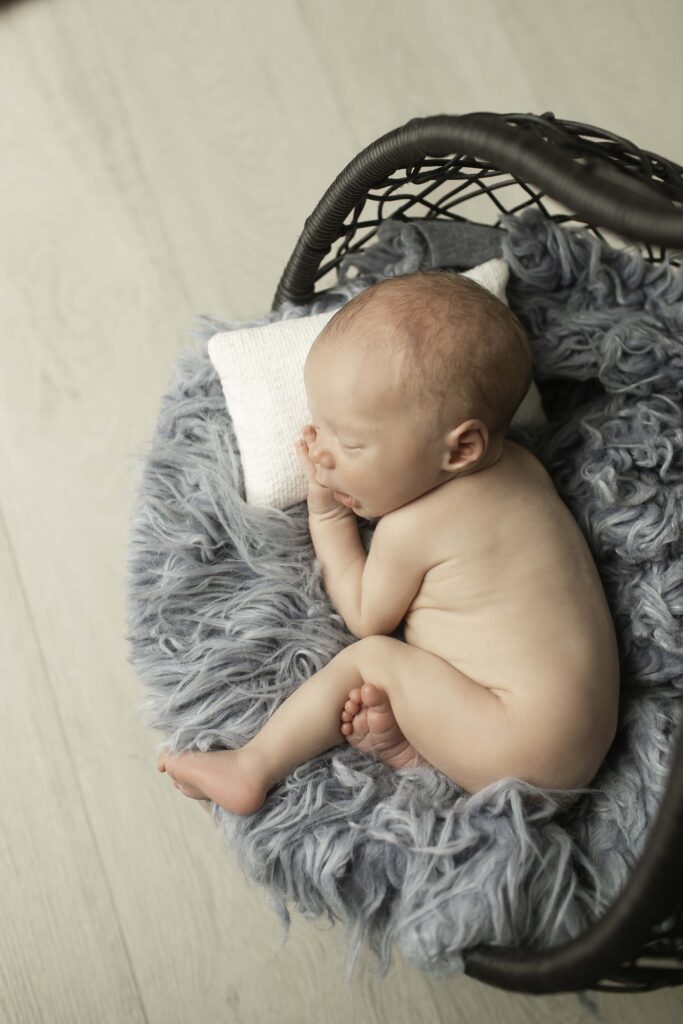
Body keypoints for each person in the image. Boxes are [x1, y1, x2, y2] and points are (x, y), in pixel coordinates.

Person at [157, 270, 620, 814]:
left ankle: (253, 766)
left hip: (519, 748)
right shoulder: (525, 468)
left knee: (374, 658)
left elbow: (364, 614)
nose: (320, 452)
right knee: (414, 679)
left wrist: (326, 514)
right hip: (582, 737)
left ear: (461, 448)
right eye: (319, 424)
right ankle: (419, 751)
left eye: (350, 442)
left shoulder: (412, 528)